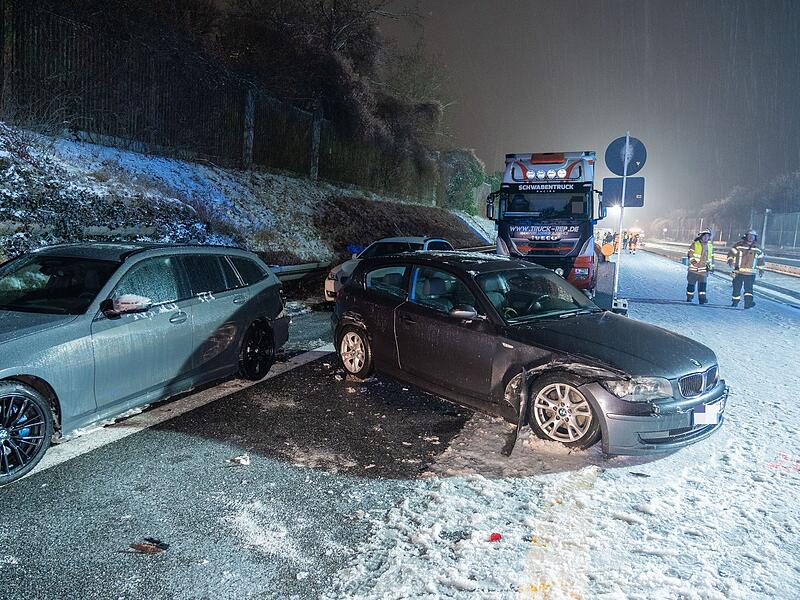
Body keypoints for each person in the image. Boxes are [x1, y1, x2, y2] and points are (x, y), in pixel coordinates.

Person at [727, 229, 765, 309]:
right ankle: (735, 302)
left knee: (749, 290)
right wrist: (730, 260)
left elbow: (761, 259)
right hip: (738, 272)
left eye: (753, 236)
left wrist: (761, 269)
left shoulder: (757, 248)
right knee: (736, 288)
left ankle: (748, 303)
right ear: (746, 236)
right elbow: (731, 253)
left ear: (755, 238)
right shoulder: (738, 245)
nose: (751, 237)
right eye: (749, 235)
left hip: (750, 274)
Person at [686, 228, 714, 304]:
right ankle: (689, 297)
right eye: (704, 236)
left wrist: (711, 267)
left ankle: (702, 299)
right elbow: (690, 254)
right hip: (693, 269)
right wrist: (694, 262)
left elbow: (711, 258)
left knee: (702, 287)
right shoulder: (695, 244)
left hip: (703, 270)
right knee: (691, 286)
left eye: (707, 236)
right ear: (701, 236)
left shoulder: (710, 246)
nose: (706, 237)